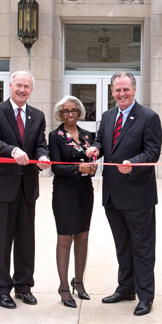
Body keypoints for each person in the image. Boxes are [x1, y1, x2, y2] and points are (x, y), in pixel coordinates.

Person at [86, 71, 162, 316]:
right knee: (123, 246)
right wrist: (94, 150)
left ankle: (145, 296)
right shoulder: (108, 116)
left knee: (142, 247)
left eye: (126, 89)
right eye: (117, 90)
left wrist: (133, 163)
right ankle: (126, 288)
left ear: (134, 89)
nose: (121, 94)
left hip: (138, 194)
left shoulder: (149, 117)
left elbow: (152, 152)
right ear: (112, 91)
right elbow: (100, 141)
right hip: (112, 196)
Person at [0, 71, 50, 309]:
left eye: (27, 86)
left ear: (31, 89)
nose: (22, 90)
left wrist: (42, 156)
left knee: (26, 239)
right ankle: (1, 290)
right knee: (2, 240)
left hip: (27, 186)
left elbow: (40, 143)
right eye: (19, 85)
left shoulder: (37, 115)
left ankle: (24, 287)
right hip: (2, 187)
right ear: (10, 86)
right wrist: (12, 151)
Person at [48, 96, 97, 308]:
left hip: (85, 191)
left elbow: (91, 160)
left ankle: (79, 282)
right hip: (64, 192)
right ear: (60, 113)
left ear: (80, 113)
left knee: (83, 236)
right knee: (65, 237)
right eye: (66, 111)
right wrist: (79, 168)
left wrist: (91, 167)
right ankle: (63, 287)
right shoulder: (55, 136)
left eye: (74, 110)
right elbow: (56, 167)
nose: (70, 114)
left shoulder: (88, 136)